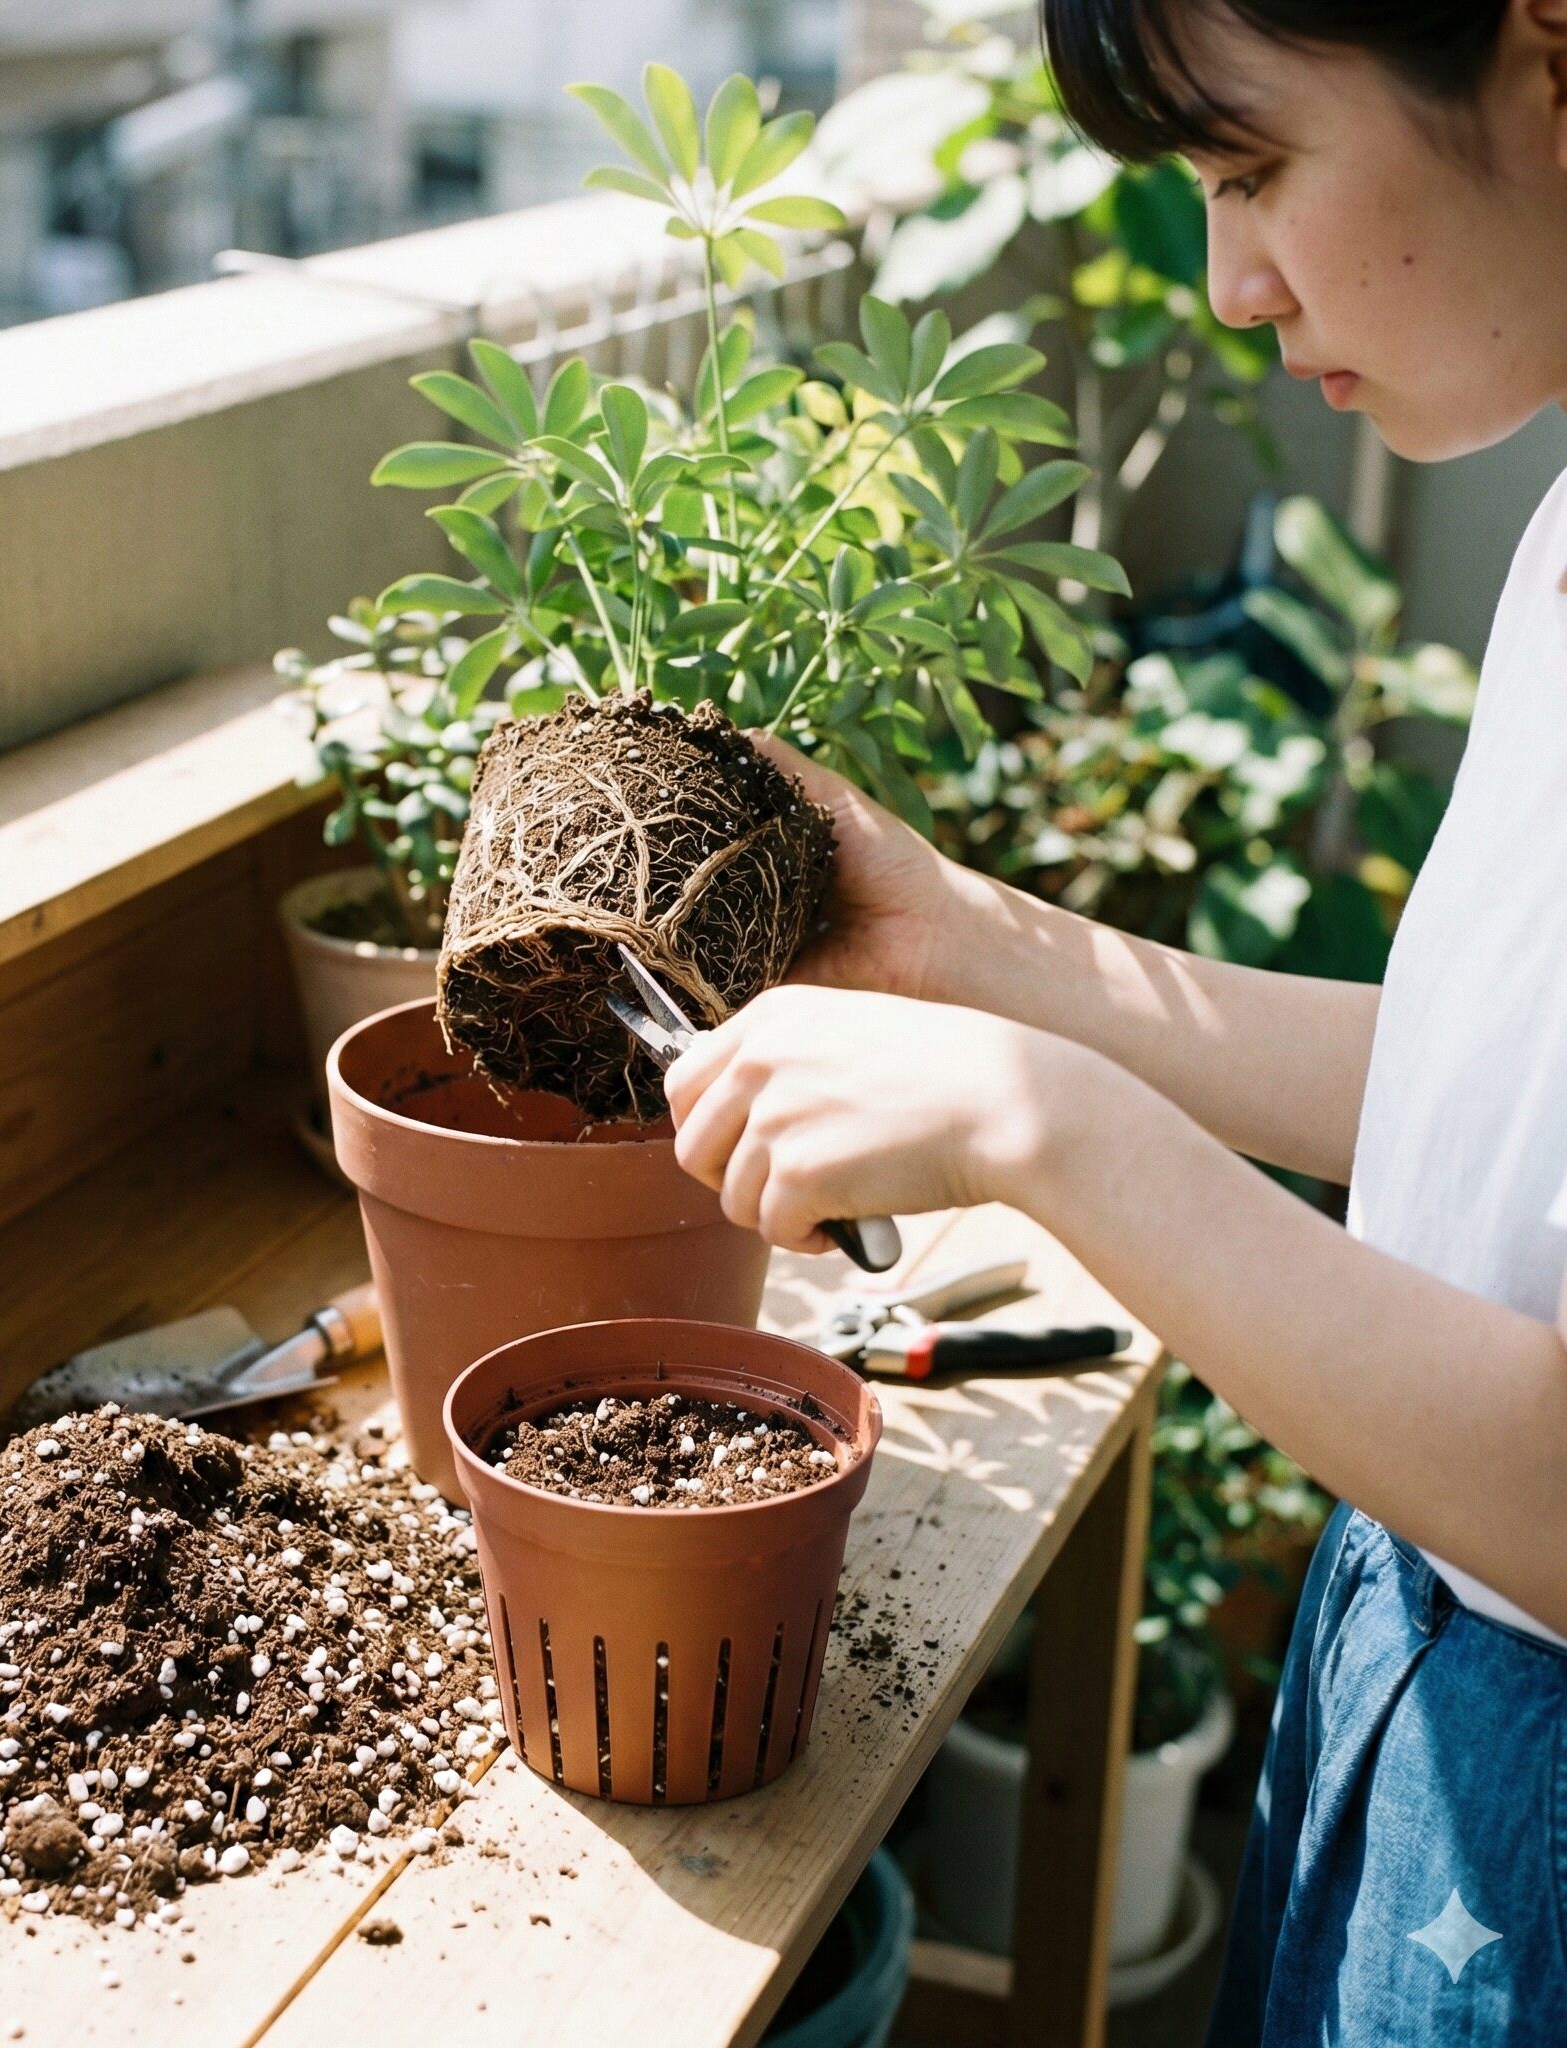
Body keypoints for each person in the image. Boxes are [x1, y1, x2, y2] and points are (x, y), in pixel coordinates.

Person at [663, 3, 1567, 2040]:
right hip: (1415, 1631)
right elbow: (1486, 1108)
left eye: (1248, 170)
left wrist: (1038, 1124)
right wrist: (968, 945)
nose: (1233, 284)